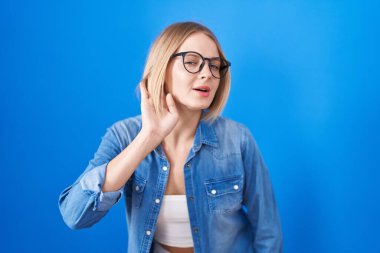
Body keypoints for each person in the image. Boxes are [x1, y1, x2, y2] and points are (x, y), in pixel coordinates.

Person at [58, 21, 282, 253]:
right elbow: (75, 215)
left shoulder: (238, 139)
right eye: (192, 62)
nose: (208, 74)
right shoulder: (123, 135)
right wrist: (147, 138)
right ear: (162, 69)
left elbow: (268, 232)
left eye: (215, 66)